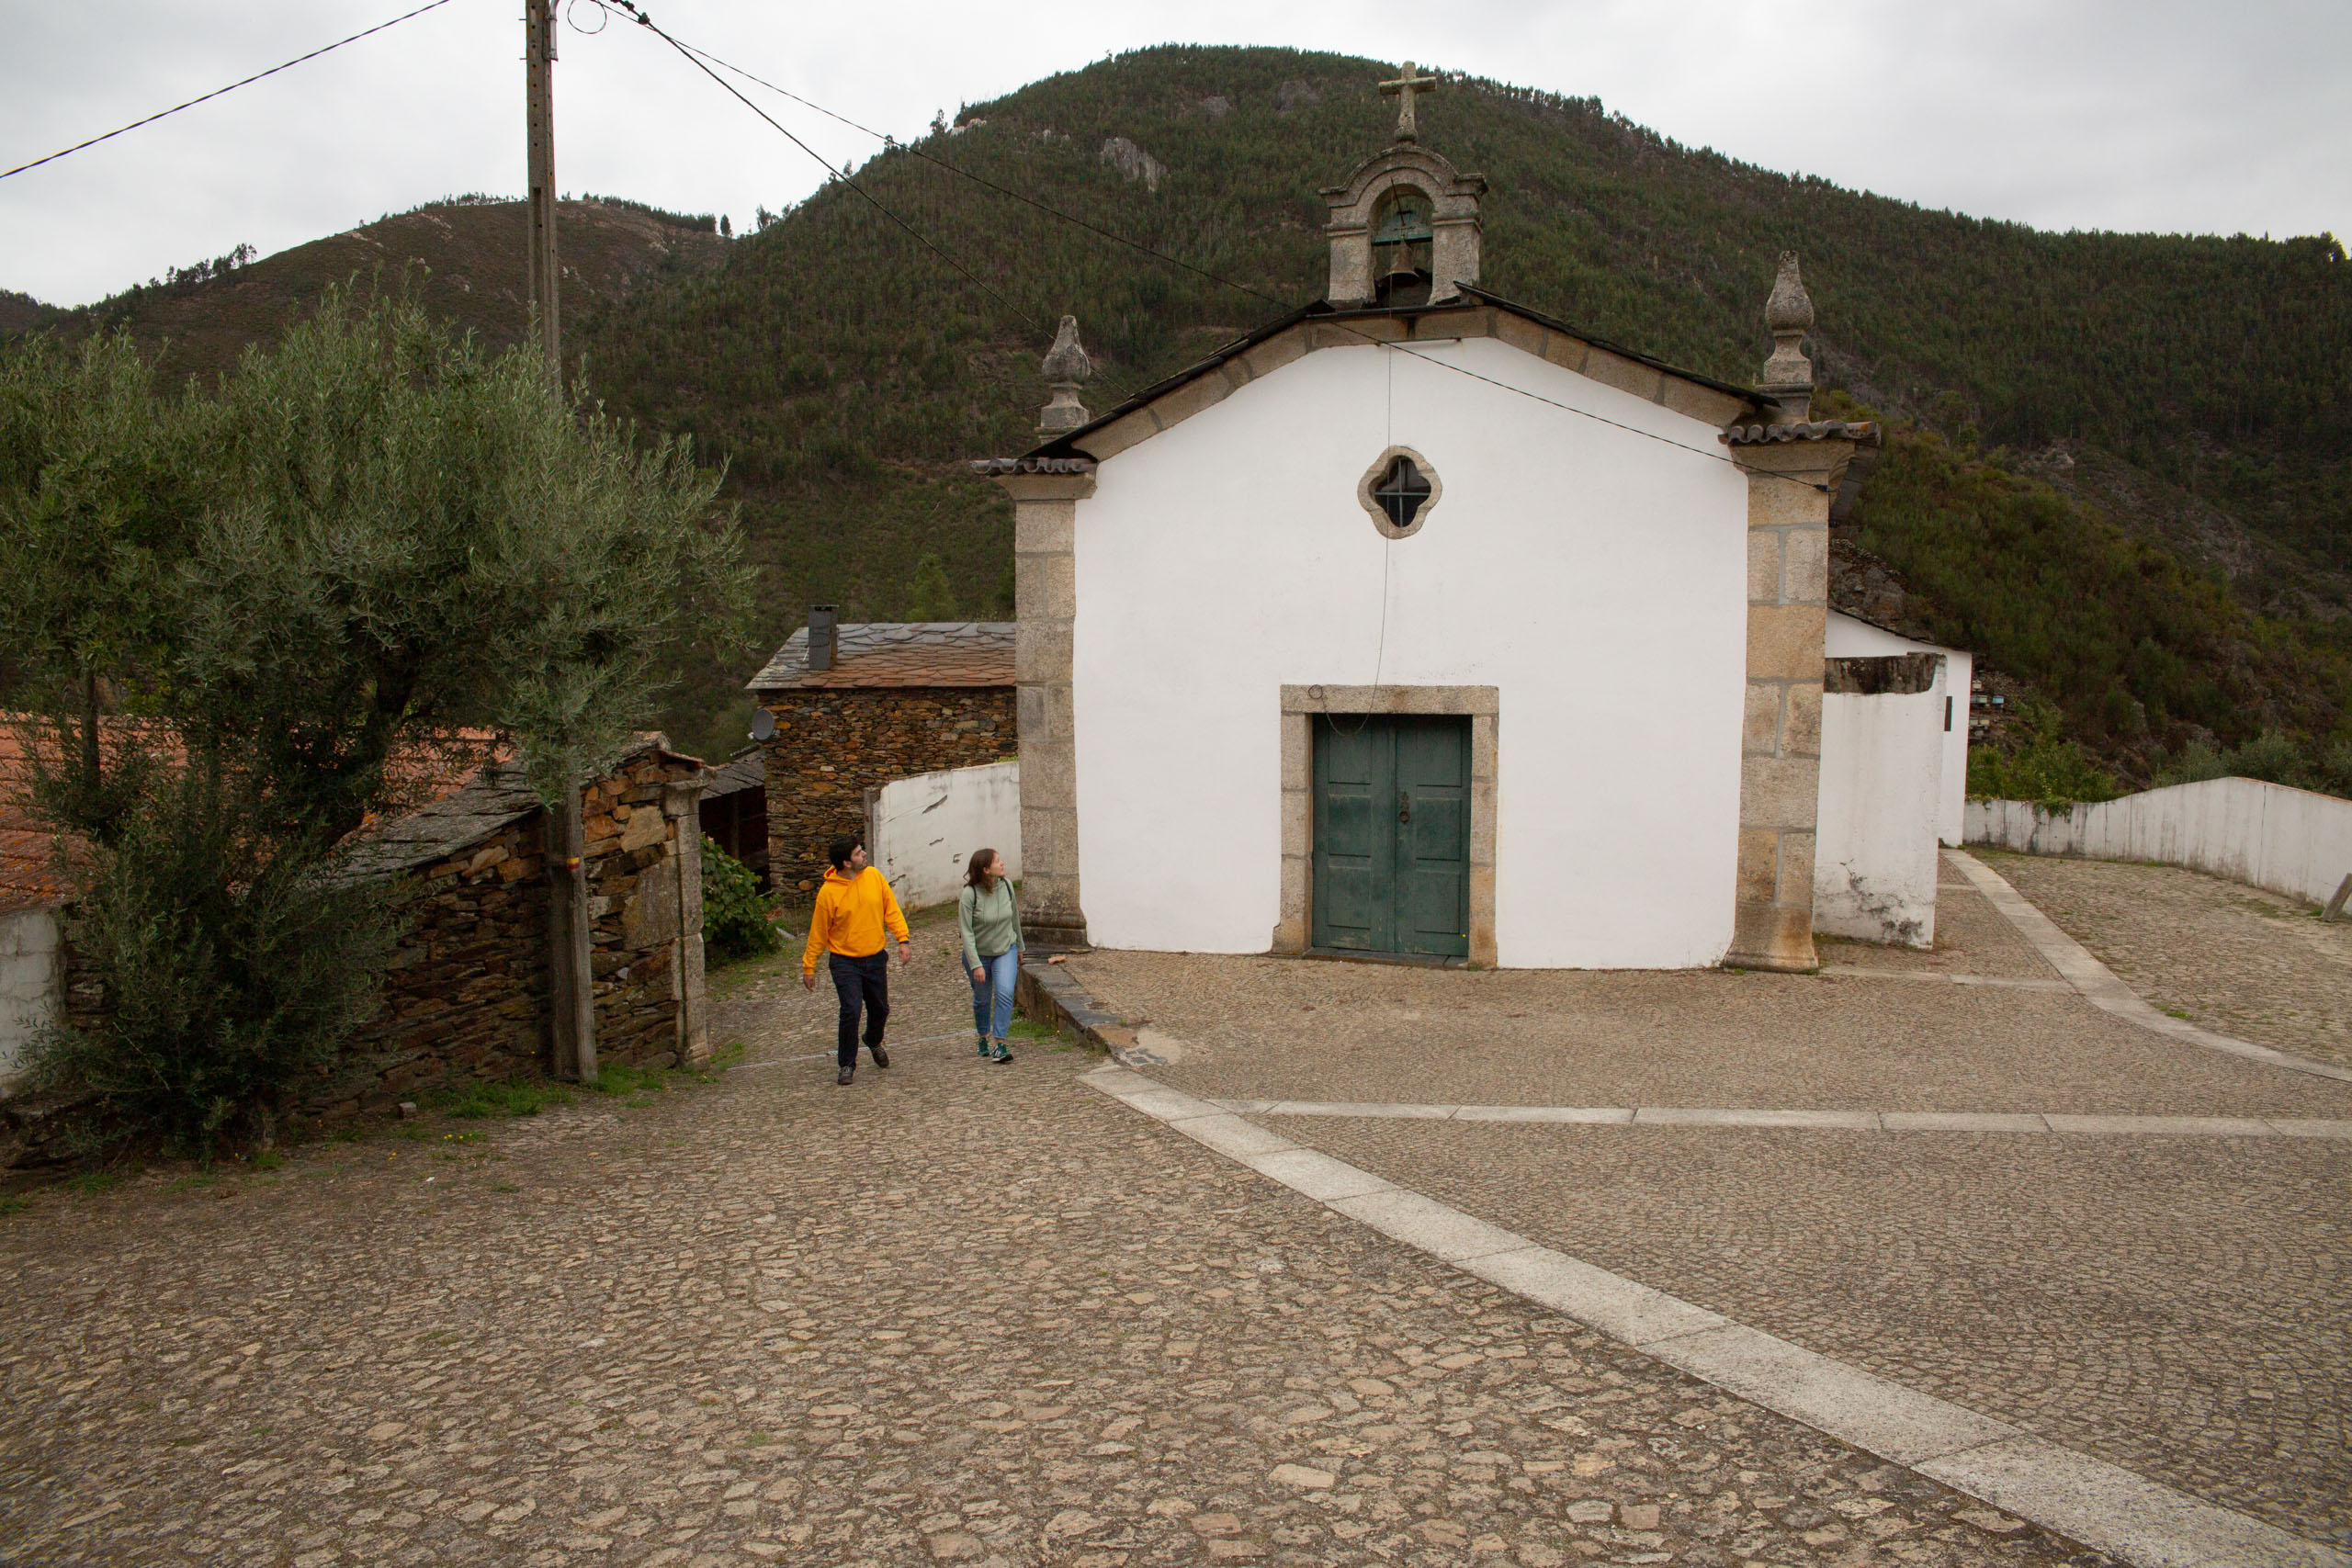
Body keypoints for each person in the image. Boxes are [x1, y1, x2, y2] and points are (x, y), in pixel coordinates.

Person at [801, 834, 910, 1085]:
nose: (864, 855)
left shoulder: (874, 876)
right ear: (846, 862)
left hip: (875, 958)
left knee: (880, 1008)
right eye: (859, 853)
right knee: (851, 1010)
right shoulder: (828, 894)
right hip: (844, 961)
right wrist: (809, 966)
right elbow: (818, 933)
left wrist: (902, 940)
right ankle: (846, 1064)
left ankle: (873, 1040)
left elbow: (891, 909)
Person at [958, 847, 1021, 1064]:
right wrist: (975, 964)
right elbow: (966, 931)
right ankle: (982, 1036)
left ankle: (1000, 1044)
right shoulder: (970, 894)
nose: (1002, 863)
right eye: (997, 861)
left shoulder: (1007, 886)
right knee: (982, 999)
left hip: (1006, 950)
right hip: (979, 955)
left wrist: (1020, 948)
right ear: (986, 869)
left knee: (1004, 993)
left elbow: (1015, 921)